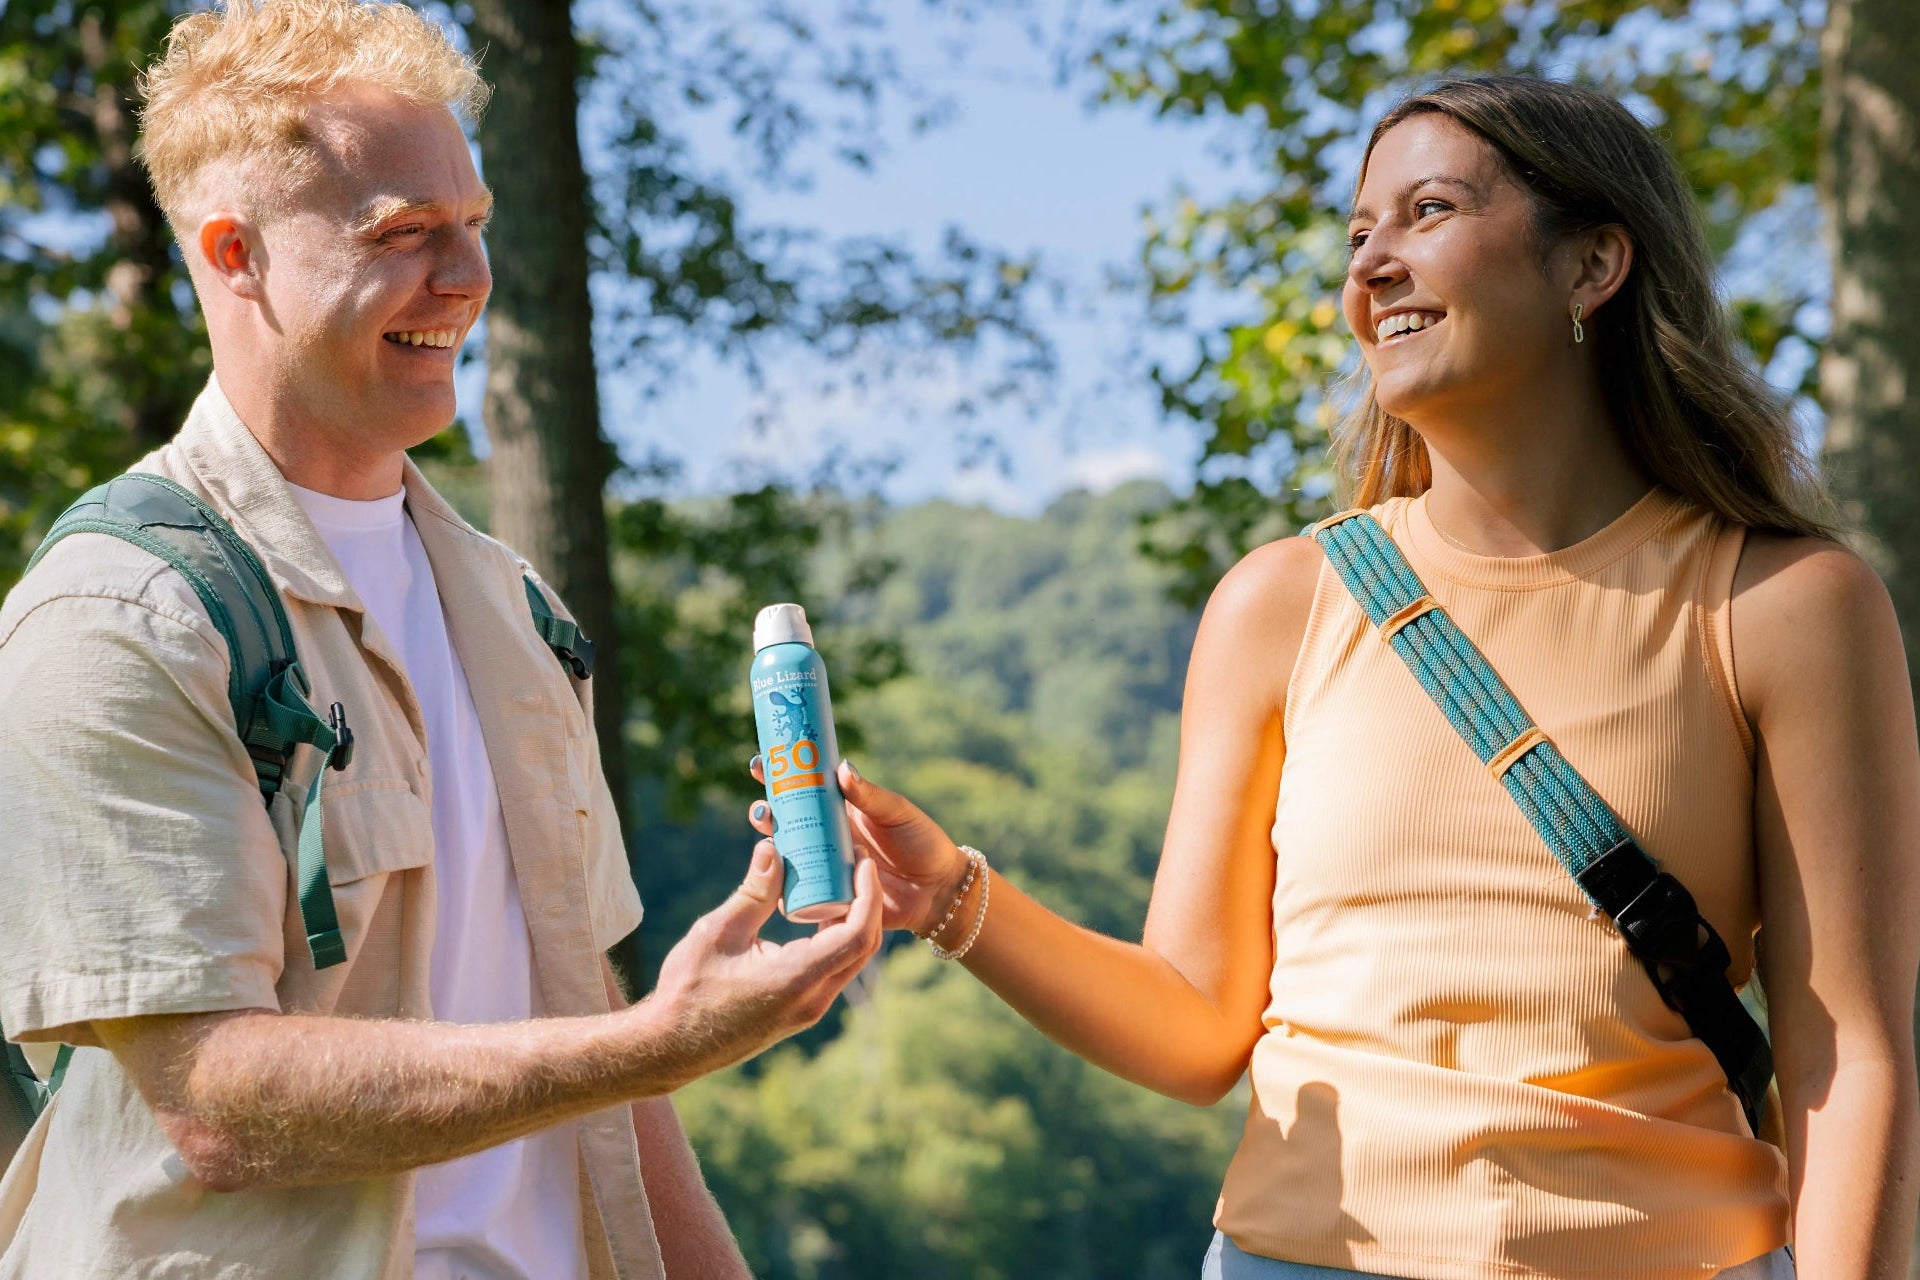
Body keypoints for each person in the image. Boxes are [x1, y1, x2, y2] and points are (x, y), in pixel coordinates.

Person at [773, 76, 1920, 1278]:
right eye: (1359, 234)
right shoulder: (1280, 603)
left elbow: (1854, 1057)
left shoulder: (1786, 606)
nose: (1371, 268)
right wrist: (951, 891)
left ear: (1594, 264)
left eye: (1427, 212)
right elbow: (1196, 1021)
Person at [0, 2, 882, 1276]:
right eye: (403, 234)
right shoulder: (112, 616)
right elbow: (210, 1097)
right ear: (236, 254)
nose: (465, 278)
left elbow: (603, 1059)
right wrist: (663, 1036)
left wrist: (654, 1057)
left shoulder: (521, 611)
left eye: (472, 224)